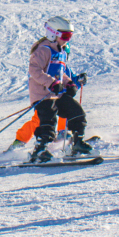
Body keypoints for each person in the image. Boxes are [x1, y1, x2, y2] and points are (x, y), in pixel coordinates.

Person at [26, 16, 91, 162]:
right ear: (52, 33)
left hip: (57, 94)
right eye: (65, 36)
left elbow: (60, 74)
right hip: (42, 95)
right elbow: (34, 70)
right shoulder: (43, 50)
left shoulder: (60, 52)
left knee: (76, 111)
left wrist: (69, 84)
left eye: (70, 36)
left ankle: (77, 143)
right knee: (49, 116)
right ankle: (40, 149)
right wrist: (51, 83)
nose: (68, 40)